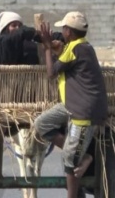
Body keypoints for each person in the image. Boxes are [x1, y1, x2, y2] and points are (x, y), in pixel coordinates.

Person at [36, 11, 108, 198]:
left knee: (69, 160)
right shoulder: (82, 47)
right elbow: (64, 59)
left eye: (63, 29)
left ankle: (72, 194)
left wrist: (46, 47)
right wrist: (53, 46)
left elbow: (51, 73)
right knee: (42, 123)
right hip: (71, 105)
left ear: (68, 32)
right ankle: (83, 156)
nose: (62, 32)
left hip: (83, 111)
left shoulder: (76, 49)